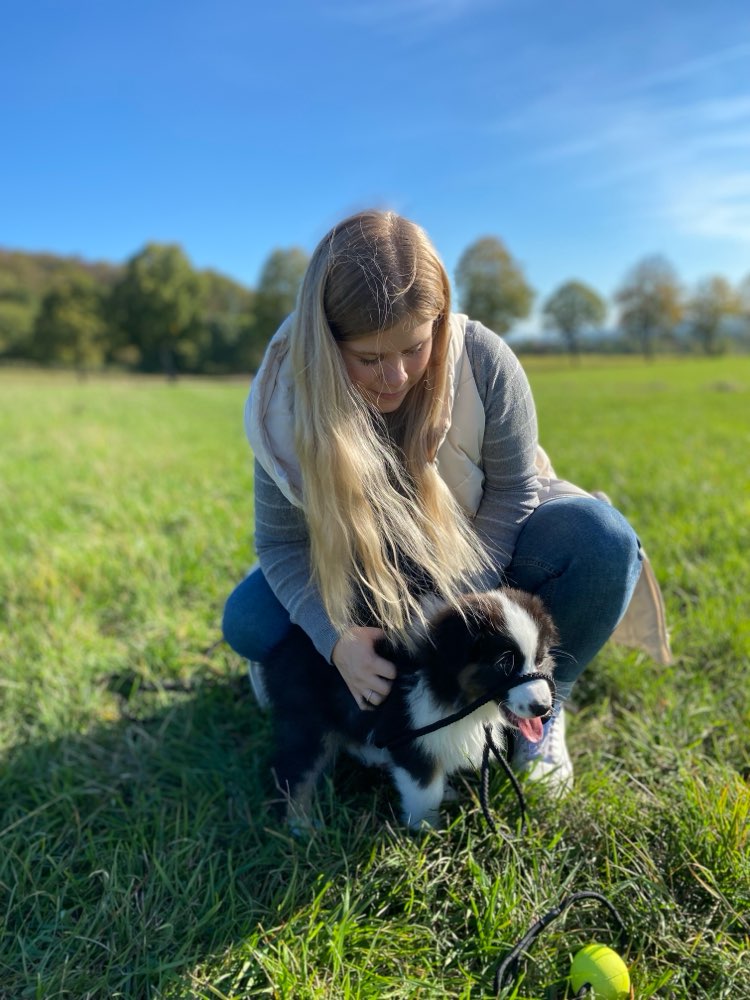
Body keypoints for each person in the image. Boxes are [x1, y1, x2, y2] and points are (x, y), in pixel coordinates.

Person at [223, 209, 670, 794]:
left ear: (439, 319)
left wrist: (461, 604)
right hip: (362, 570)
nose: (396, 377)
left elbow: (514, 490)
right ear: (327, 343)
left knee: (603, 542)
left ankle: (540, 707)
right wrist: (334, 639)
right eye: (368, 359)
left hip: (482, 551)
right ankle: (327, 683)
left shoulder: (484, 360)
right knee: (252, 621)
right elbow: (281, 542)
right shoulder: (284, 400)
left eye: (414, 348)